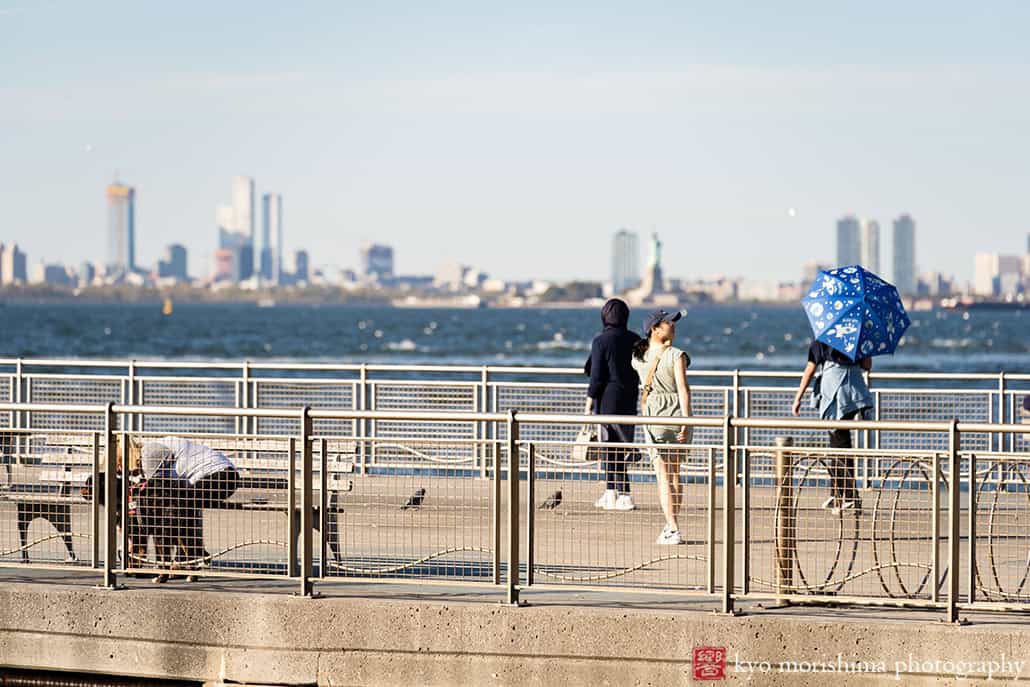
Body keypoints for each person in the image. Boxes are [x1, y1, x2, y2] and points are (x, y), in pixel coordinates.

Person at [631, 309, 692, 545]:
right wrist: (686, 421)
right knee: (675, 473)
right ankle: (672, 525)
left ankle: (672, 526)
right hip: (676, 413)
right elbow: (683, 389)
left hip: (653, 414)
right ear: (655, 329)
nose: (673, 326)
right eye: (668, 323)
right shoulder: (677, 355)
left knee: (663, 475)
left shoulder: (638, 356)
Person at [139, 437, 239, 581]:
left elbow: (154, 483)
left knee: (180, 516)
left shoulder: (149, 451)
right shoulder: (165, 449)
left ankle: (187, 561)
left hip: (219, 476)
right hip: (225, 475)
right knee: (183, 515)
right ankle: (188, 560)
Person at [791, 339, 873, 514]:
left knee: (838, 445)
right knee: (841, 443)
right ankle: (840, 493)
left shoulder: (822, 339)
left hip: (833, 393)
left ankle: (847, 496)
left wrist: (798, 397)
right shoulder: (857, 337)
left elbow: (810, 369)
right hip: (854, 393)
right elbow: (867, 365)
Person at [585, 298, 642, 511]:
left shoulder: (601, 341)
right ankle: (613, 491)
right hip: (629, 397)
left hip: (607, 398)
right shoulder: (635, 339)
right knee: (622, 445)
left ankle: (621, 493)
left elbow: (596, 376)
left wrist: (589, 402)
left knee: (609, 445)